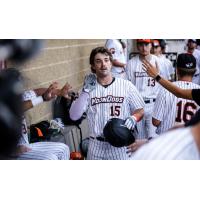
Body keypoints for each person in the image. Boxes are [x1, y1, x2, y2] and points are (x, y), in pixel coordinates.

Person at [70, 46, 145, 160]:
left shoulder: (126, 85)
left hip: (120, 146)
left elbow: (140, 110)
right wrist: (85, 91)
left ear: (111, 63)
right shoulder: (87, 89)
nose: (103, 64)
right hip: (96, 146)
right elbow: (74, 116)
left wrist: (134, 118)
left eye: (106, 60)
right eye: (98, 61)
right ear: (93, 66)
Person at [16, 82, 72, 160]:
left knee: (64, 149)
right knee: (50, 159)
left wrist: (59, 92)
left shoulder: (10, 95)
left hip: (25, 145)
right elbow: (15, 108)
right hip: (9, 152)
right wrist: (42, 98)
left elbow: (36, 92)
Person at [152, 53, 200, 135]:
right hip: (191, 142)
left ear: (177, 70)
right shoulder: (198, 90)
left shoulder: (165, 89)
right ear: (195, 71)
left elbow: (156, 122)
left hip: (167, 141)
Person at [126, 39, 161, 140]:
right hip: (137, 105)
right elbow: (129, 87)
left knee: (153, 139)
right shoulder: (131, 63)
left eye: (146, 44)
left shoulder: (158, 61)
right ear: (137, 46)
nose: (144, 47)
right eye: (141, 44)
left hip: (154, 104)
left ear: (151, 45)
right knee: (139, 139)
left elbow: (165, 84)